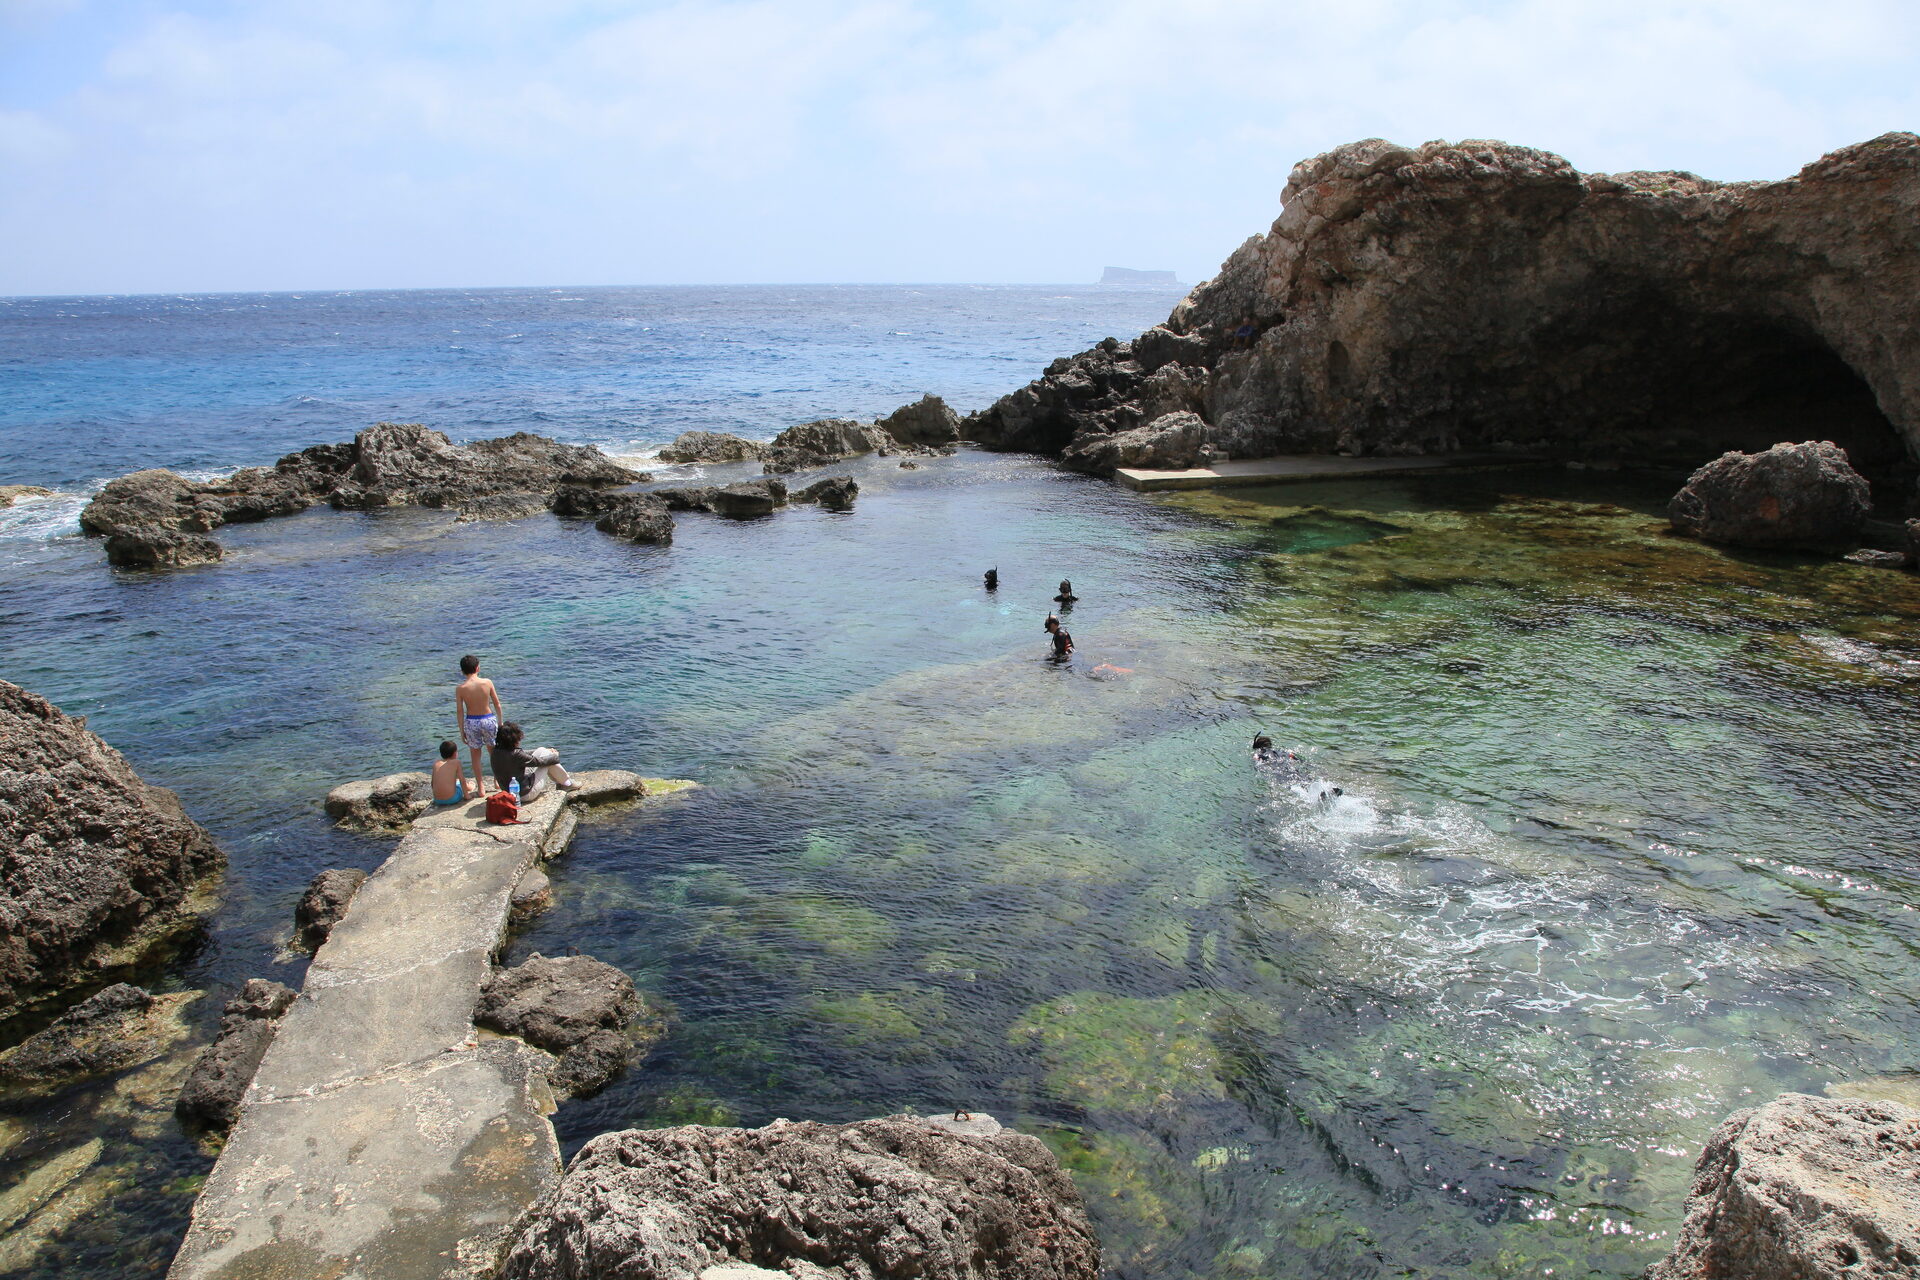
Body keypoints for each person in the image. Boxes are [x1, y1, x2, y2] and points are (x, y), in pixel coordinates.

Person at [490, 721, 579, 799]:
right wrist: (554, 756)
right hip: (524, 794)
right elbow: (539, 762)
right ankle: (567, 783)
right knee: (548, 758)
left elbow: (523, 754)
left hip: (510, 793)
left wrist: (544, 750)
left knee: (542, 750)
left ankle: (563, 782)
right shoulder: (516, 754)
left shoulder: (495, 752)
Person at [455, 654, 503, 796]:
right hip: (488, 719)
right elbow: (497, 704)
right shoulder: (487, 682)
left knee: (475, 755)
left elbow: (460, 711)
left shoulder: (460, 688)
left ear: (462, 671)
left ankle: (481, 787)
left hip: (472, 721)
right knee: (493, 752)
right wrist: (500, 722)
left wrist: (461, 729)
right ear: (478, 668)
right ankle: (497, 781)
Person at [430, 740, 467, 806]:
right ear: (455, 753)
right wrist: (467, 796)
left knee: (456, 782)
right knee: (459, 784)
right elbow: (462, 781)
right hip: (452, 799)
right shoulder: (456, 762)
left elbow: (432, 783)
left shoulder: (436, 763)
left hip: (437, 800)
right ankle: (470, 786)